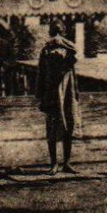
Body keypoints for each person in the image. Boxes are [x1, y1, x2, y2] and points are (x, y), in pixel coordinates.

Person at [34, 24, 82, 174]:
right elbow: (73, 73)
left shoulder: (47, 50)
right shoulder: (69, 50)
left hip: (53, 93)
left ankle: (55, 163)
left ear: (50, 32)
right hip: (65, 93)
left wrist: (39, 94)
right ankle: (65, 163)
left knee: (53, 129)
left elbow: (41, 74)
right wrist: (76, 92)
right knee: (68, 125)